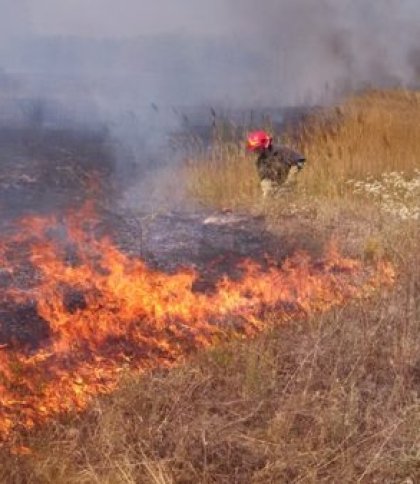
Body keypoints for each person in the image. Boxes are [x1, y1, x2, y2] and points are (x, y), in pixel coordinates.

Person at [247, 130, 306, 198]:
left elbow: (300, 160)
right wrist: (267, 192)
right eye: (255, 149)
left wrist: (291, 177)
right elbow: (265, 179)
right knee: (270, 191)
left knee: (288, 190)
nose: (256, 151)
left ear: (265, 144)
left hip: (290, 179)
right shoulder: (260, 162)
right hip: (278, 184)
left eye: (257, 148)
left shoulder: (282, 151)